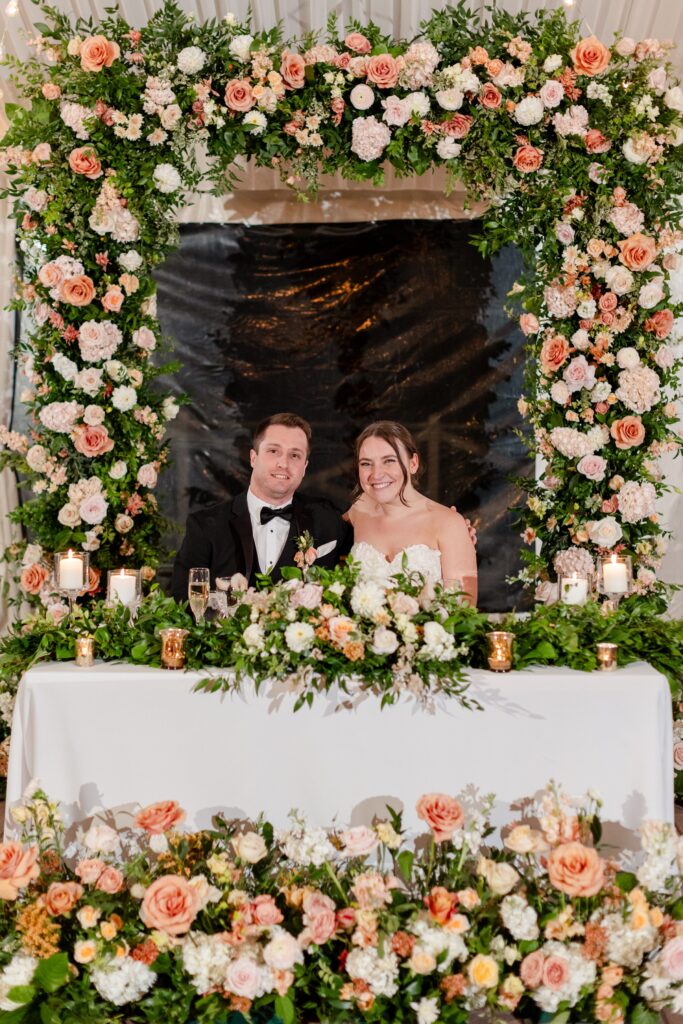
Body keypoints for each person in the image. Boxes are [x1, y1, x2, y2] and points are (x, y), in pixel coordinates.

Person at [171, 413, 352, 600]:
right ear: (253, 458)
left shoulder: (328, 520)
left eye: (295, 455)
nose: (283, 463)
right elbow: (183, 601)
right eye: (273, 451)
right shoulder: (205, 526)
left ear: (305, 467)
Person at [345, 421, 478, 605]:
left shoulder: (449, 523)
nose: (376, 474)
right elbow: (325, 532)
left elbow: (465, 607)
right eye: (366, 464)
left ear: (413, 463)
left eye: (389, 460)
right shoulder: (359, 509)